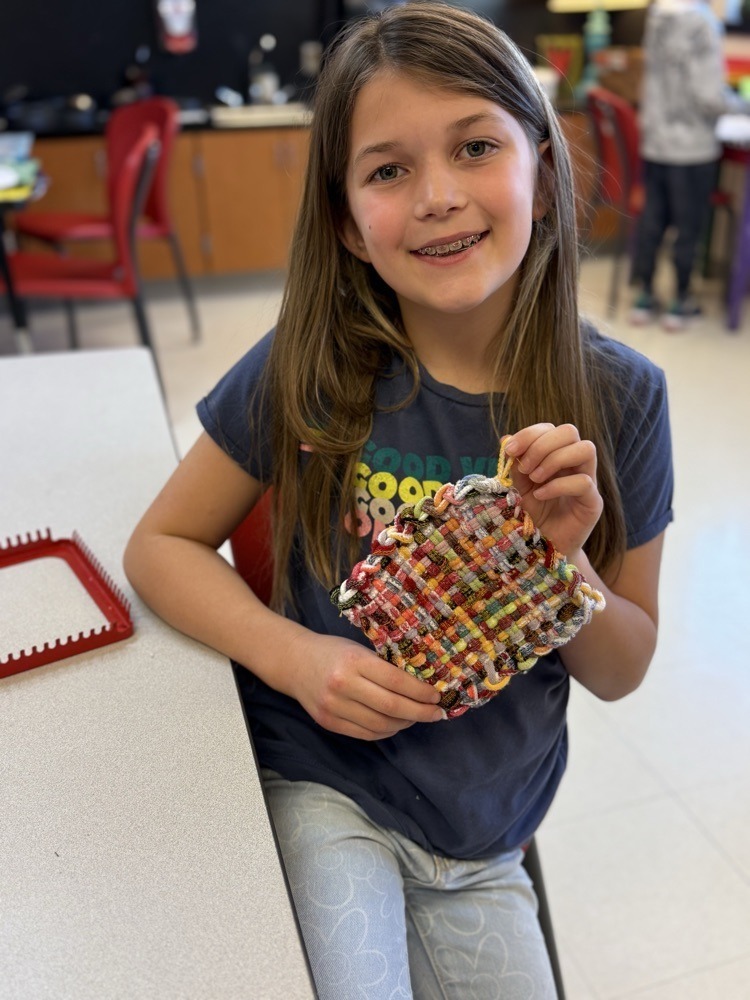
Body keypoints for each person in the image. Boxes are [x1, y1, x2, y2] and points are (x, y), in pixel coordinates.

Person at [124, 3, 673, 997]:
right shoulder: (310, 363)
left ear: (541, 174)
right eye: (387, 169)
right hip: (326, 782)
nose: (436, 197)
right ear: (344, 217)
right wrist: (295, 656)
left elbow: (624, 666)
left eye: (474, 147)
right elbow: (160, 542)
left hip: (485, 832)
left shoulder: (622, 399)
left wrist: (565, 563)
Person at [630, 0, 750, 331]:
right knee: (688, 226)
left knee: (653, 222)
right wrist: (741, 105)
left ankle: (644, 297)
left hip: (655, 142)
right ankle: (680, 301)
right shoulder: (702, 24)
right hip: (693, 148)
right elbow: (708, 96)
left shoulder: (656, 16)